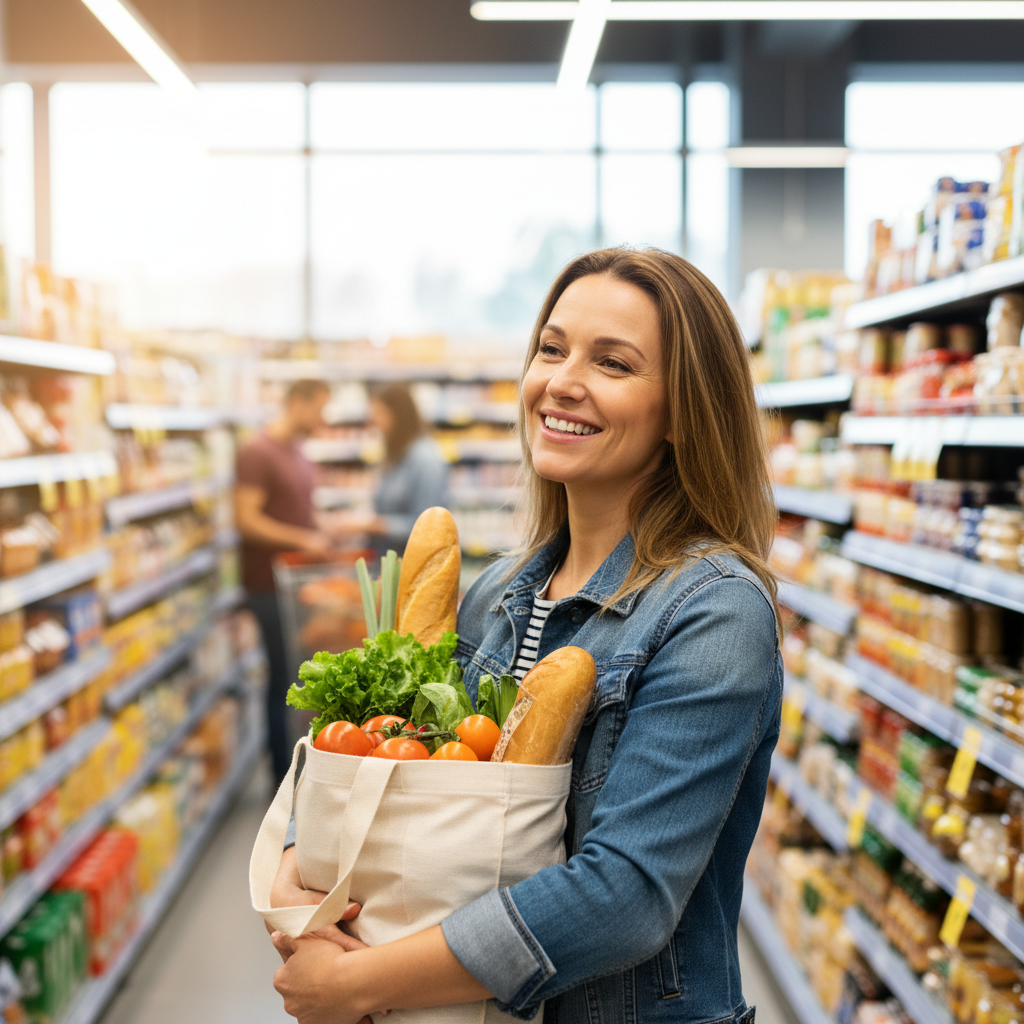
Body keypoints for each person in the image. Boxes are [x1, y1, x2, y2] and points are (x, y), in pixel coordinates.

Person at [268, 248, 782, 1024]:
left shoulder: (712, 613)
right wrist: (294, 871)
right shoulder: (497, 595)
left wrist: (361, 984)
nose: (562, 380)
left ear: (683, 410)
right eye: (551, 347)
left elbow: (626, 896)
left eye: (613, 362)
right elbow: (399, 767)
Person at [235, 378, 333, 787]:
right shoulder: (257, 452)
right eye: (319, 409)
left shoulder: (296, 453)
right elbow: (246, 519)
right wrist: (304, 539)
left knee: (299, 676)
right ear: (297, 402)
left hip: (297, 585)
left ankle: (300, 770)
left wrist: (325, 531)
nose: (323, 419)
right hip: (269, 585)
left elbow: (297, 514)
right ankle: (282, 774)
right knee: (283, 680)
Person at [334, 383, 449, 555]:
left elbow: (428, 528)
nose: (374, 421)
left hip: (412, 567)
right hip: (387, 560)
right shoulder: (394, 455)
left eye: (380, 413)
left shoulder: (426, 461)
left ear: (399, 415)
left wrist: (374, 526)